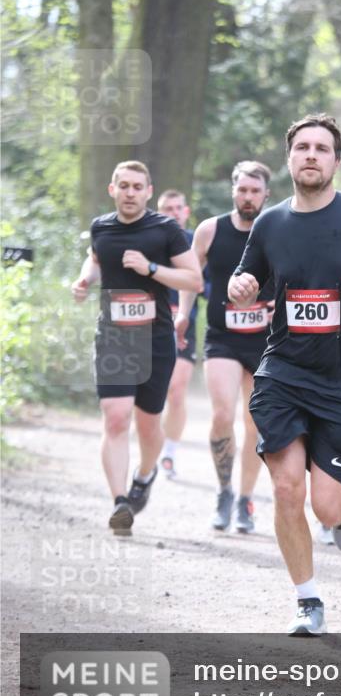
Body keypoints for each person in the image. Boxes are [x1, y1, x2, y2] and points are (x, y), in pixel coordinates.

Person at [229, 114, 341, 636]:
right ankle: (307, 600)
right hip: (283, 372)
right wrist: (242, 285)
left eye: (322, 148)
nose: (311, 155)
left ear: (336, 160)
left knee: (327, 508)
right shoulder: (271, 222)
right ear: (289, 158)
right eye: (302, 147)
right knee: (287, 489)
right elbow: (249, 273)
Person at [71, 161, 202, 534]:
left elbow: (193, 279)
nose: (129, 193)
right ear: (112, 190)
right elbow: (96, 259)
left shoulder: (166, 230)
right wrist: (84, 280)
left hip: (155, 339)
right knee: (115, 417)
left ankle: (144, 475)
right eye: (123, 186)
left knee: (148, 425)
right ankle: (120, 502)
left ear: (148, 191)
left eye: (137, 187)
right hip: (113, 336)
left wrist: (151, 269)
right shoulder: (101, 227)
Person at [175, 161, 272, 534]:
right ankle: (224, 491)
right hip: (222, 335)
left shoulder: (276, 229)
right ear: (233, 191)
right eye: (242, 190)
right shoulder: (210, 230)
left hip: (265, 340)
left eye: (255, 191)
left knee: (255, 423)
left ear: (266, 194)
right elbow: (189, 277)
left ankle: (247, 499)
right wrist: (184, 313)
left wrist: (279, 304)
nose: (248, 197)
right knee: (221, 415)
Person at [156, 189, 199, 479]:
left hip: (185, 325)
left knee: (176, 389)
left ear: (186, 211)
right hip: (153, 322)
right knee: (152, 391)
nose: (173, 212)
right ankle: (152, 441)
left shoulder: (198, 241)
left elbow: (207, 284)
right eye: (167, 208)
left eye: (178, 207)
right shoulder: (151, 241)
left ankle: (169, 452)